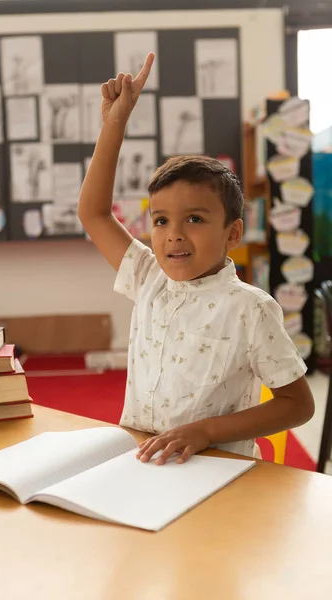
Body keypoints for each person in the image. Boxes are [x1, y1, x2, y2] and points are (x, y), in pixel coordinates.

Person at [78, 53, 314, 466]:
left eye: (195, 218)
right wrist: (113, 125)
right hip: (142, 459)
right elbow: (94, 214)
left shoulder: (251, 308)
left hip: (215, 469)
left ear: (233, 233)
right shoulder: (149, 276)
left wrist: (205, 432)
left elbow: (298, 405)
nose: (174, 234)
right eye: (162, 220)